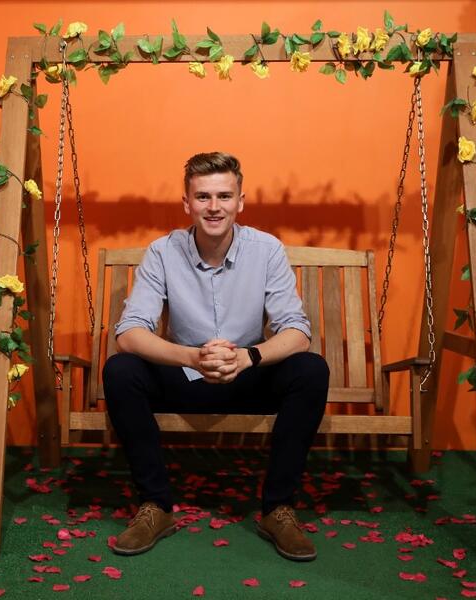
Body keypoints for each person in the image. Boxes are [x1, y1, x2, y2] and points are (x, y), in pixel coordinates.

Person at [103, 151, 329, 561]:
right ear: (187, 203)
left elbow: (297, 332)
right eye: (203, 197)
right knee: (122, 370)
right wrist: (191, 357)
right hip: (184, 378)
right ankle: (155, 505)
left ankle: (277, 508)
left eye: (224, 196)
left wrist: (247, 358)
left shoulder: (267, 250)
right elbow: (130, 332)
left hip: (249, 378)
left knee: (310, 369)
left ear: (240, 202)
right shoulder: (162, 252)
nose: (213, 207)